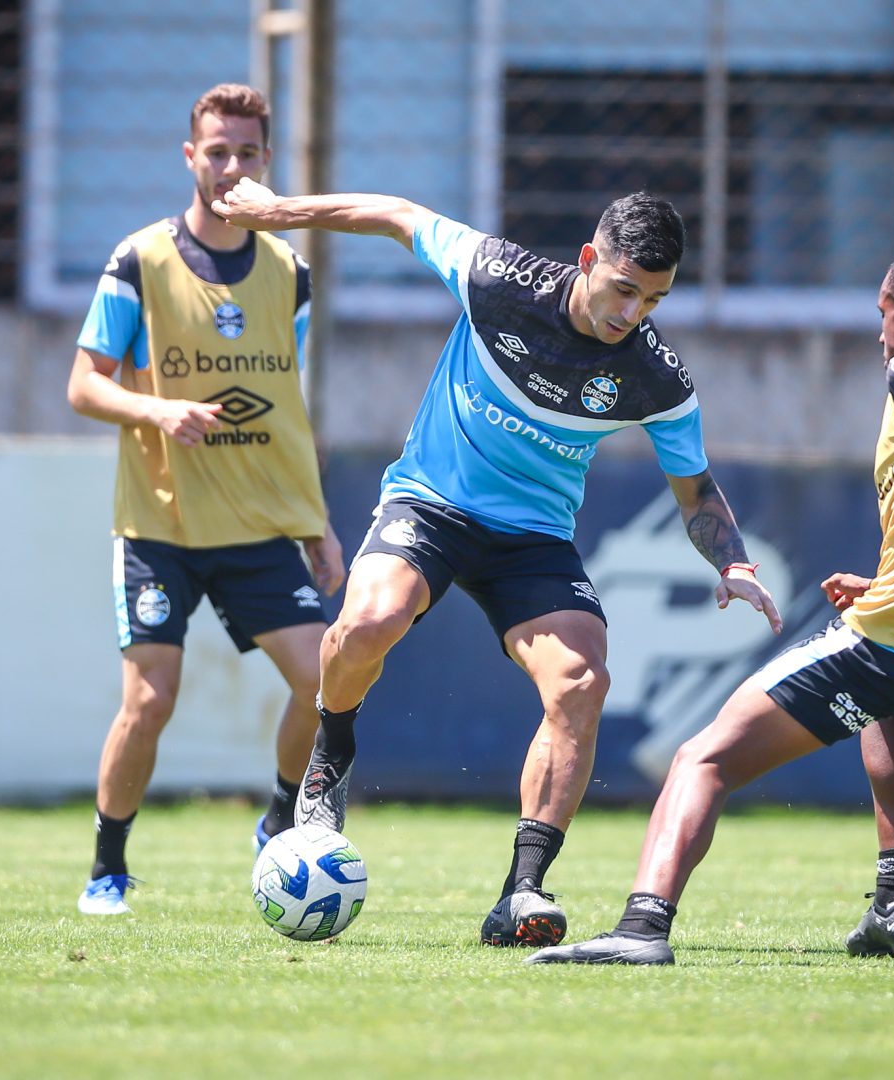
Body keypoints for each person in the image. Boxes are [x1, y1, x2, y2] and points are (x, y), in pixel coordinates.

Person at [212, 180, 783, 947]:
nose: (631, 314)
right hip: (429, 505)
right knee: (369, 621)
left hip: (532, 538)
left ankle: (522, 893)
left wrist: (733, 562)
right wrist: (280, 212)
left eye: (652, 301)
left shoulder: (656, 377)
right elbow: (396, 216)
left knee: (581, 681)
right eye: (622, 290)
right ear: (588, 260)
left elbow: (695, 489)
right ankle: (332, 752)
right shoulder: (498, 278)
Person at [525, 244, 894, 965]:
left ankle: (640, 929)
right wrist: (888, 591)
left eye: (882, 314)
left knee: (701, 759)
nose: (879, 332)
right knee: (890, 702)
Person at [66, 84, 344, 916]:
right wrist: (157, 409)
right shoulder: (139, 261)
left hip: (257, 525)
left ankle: (276, 817)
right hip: (160, 523)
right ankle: (108, 867)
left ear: (269, 159)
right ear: (190, 156)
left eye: (247, 152)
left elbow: (284, 413)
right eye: (216, 151)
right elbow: (83, 386)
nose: (231, 167)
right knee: (149, 700)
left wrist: (315, 523)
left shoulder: (289, 274)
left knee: (325, 679)